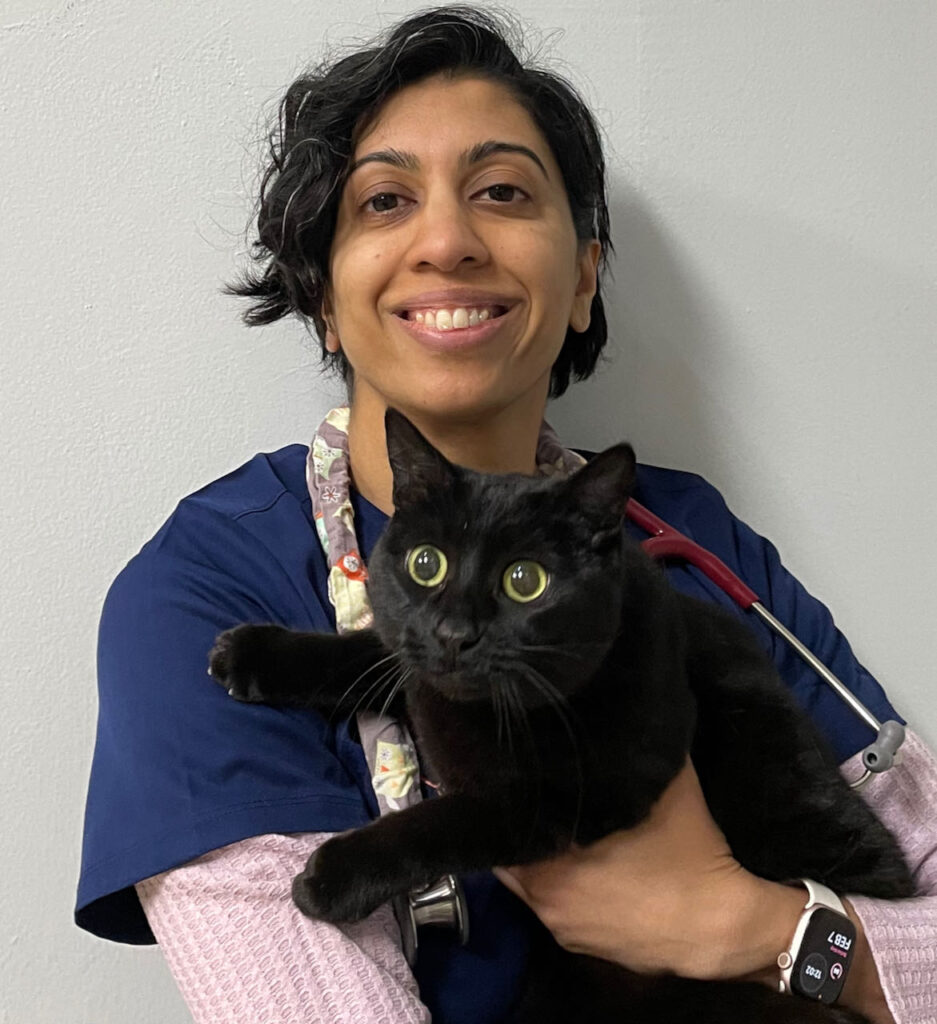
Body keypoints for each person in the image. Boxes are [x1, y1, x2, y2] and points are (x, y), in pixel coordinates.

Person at [75, 6, 937, 1023]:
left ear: (581, 277)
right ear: (319, 288)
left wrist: (761, 930)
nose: (447, 240)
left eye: (501, 191)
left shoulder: (690, 537)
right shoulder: (204, 588)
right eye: (385, 200)